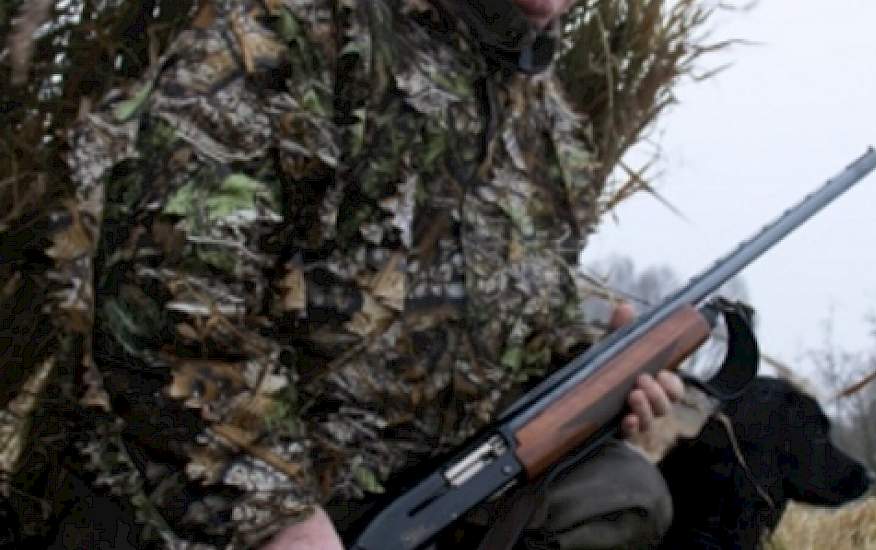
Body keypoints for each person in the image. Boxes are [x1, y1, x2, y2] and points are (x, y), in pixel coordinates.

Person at [11, 0, 683, 548]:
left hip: (398, 507)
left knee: (617, 494)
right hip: (192, 497)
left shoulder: (551, 128)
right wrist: (276, 515)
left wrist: (592, 378)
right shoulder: (309, 28)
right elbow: (165, 290)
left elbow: (504, 345)